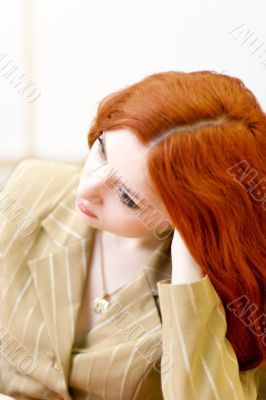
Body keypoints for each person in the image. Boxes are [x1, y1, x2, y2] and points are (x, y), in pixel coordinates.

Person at [0, 70, 265, 399]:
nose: (86, 188)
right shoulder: (33, 189)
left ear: (187, 216)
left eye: (127, 197)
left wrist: (188, 279)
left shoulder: (223, 291)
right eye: (101, 149)